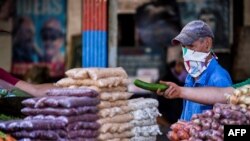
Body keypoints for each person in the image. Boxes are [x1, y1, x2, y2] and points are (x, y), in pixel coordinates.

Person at [157, 20, 232, 121]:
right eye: (183, 47)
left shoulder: (219, 78)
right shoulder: (191, 76)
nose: (186, 53)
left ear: (207, 44)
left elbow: (222, 125)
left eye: (191, 46)